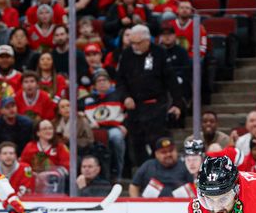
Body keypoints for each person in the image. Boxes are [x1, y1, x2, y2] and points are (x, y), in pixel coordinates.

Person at [116, 24, 182, 166]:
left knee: (157, 140)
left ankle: (162, 170)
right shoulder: (127, 54)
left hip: (156, 104)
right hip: (134, 106)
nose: (135, 46)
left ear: (147, 40)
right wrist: (125, 96)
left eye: (138, 43)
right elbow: (120, 80)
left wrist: (177, 103)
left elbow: (171, 80)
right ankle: (144, 172)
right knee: (136, 143)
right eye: (132, 43)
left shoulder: (159, 53)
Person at [81, 69, 127, 181]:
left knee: (116, 137)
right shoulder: (87, 99)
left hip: (113, 128)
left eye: (104, 80)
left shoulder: (119, 95)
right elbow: (72, 108)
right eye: (98, 81)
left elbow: (129, 113)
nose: (101, 82)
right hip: (93, 129)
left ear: (110, 82)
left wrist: (125, 125)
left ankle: (118, 174)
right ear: (94, 85)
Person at [129, 137, 194, 198]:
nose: (168, 154)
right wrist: (136, 204)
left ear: (176, 151)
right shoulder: (148, 166)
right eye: (164, 152)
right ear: (156, 154)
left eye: (171, 151)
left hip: (181, 207)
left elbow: (195, 188)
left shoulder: (186, 166)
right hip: (151, 207)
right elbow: (134, 186)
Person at [20, 119, 71, 193]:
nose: (48, 131)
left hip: (54, 184)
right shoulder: (30, 147)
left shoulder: (60, 147)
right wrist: (32, 174)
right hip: (33, 182)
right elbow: (23, 166)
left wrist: (49, 174)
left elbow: (67, 167)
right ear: (38, 133)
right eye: (44, 129)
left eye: (50, 128)